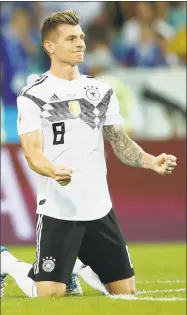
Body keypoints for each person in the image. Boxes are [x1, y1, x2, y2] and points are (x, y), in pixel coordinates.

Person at [1, 10, 177, 298]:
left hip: (98, 207)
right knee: (49, 293)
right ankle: (5, 261)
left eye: (81, 37)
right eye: (70, 38)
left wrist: (149, 161)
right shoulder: (33, 95)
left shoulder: (100, 90)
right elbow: (32, 153)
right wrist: (52, 170)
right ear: (50, 47)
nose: (80, 43)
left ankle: (77, 267)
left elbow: (119, 141)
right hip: (59, 207)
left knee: (125, 293)